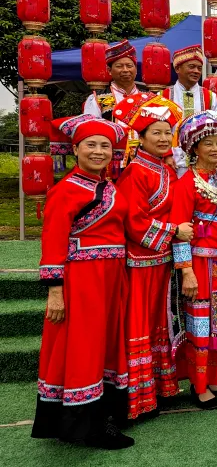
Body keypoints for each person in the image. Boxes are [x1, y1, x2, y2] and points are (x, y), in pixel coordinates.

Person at [32, 113, 134, 449]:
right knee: (83, 347)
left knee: (103, 345)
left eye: (105, 145)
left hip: (111, 278)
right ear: (76, 149)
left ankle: (100, 418)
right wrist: (55, 292)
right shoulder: (65, 190)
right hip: (82, 280)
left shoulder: (107, 186)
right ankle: (84, 426)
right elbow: (53, 240)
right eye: (91, 145)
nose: (99, 151)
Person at [112, 94, 189, 420]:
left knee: (159, 322)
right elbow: (134, 222)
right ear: (140, 138)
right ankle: (137, 400)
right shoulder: (135, 173)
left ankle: (157, 388)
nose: (161, 138)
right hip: (140, 262)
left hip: (160, 261)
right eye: (154, 132)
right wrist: (174, 231)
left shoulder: (164, 169)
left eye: (165, 132)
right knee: (139, 325)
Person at [170, 111, 217, 409]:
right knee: (201, 326)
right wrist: (186, 271)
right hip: (201, 266)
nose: (216, 149)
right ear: (194, 148)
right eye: (208, 143)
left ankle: (216, 378)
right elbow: (180, 231)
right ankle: (199, 385)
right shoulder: (186, 183)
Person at [82, 39, 142, 179]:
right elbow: (89, 132)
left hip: (143, 162)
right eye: (119, 66)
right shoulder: (97, 98)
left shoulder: (147, 97)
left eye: (129, 65)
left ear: (136, 69)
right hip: (110, 164)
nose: (125, 70)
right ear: (109, 70)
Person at [160, 45, 217, 177]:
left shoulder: (210, 97)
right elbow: (157, 130)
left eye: (199, 68)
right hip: (171, 161)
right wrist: (166, 155)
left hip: (203, 160)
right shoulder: (163, 96)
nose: (196, 71)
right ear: (177, 68)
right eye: (191, 67)